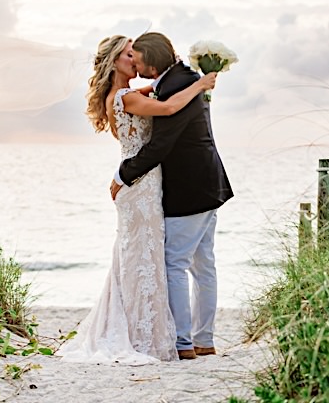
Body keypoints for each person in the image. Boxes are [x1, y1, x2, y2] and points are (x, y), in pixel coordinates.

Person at [57, 34, 217, 364]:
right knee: (146, 259)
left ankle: (154, 330)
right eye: (129, 55)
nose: (135, 60)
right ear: (115, 62)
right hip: (140, 184)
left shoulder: (127, 94)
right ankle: (165, 337)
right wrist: (201, 85)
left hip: (144, 184)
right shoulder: (124, 98)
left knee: (141, 258)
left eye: (136, 54)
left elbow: (158, 88)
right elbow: (170, 105)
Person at [113, 32, 234, 360]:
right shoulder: (183, 78)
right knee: (203, 264)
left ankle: (183, 342)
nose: (135, 65)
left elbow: (161, 145)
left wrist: (123, 175)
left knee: (175, 263)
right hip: (210, 183)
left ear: (152, 63)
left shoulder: (176, 84)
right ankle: (204, 339)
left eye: (137, 59)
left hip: (191, 188)